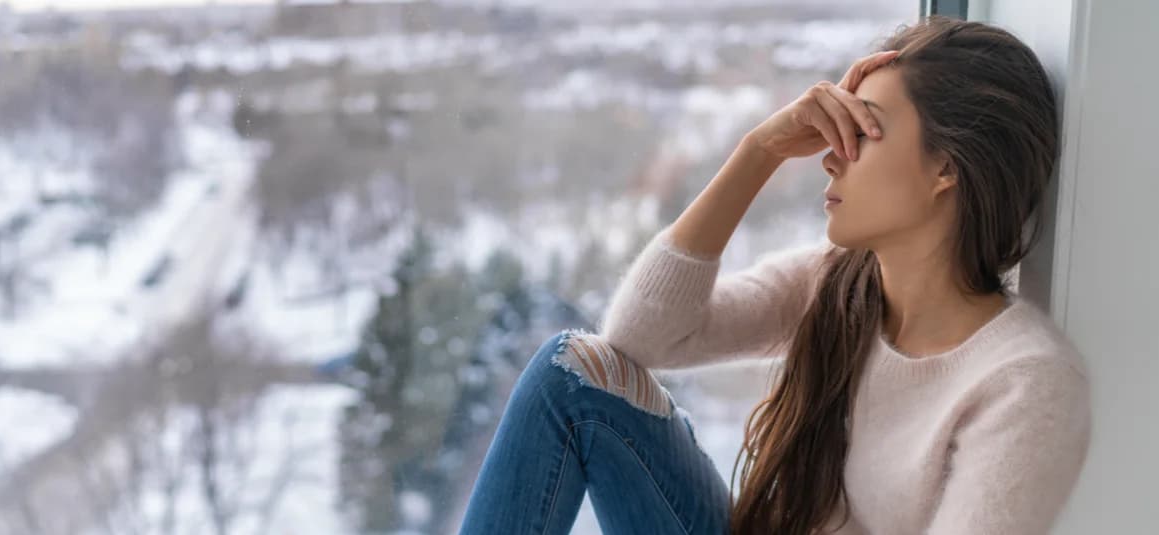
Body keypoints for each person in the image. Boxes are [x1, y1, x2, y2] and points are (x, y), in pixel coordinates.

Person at [457, 14, 1091, 535]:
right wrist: (758, 151)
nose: (831, 158)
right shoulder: (838, 284)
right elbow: (638, 340)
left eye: (863, 129)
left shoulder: (1024, 383)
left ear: (945, 169)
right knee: (569, 373)